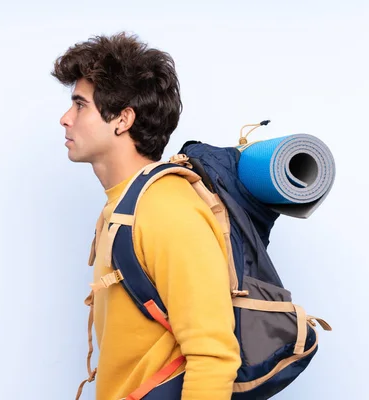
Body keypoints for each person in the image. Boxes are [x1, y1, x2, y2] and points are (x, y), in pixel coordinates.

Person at [51, 32, 241, 400]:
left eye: (80, 105)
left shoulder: (167, 209)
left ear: (122, 119)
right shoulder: (123, 205)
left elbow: (214, 356)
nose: (64, 118)